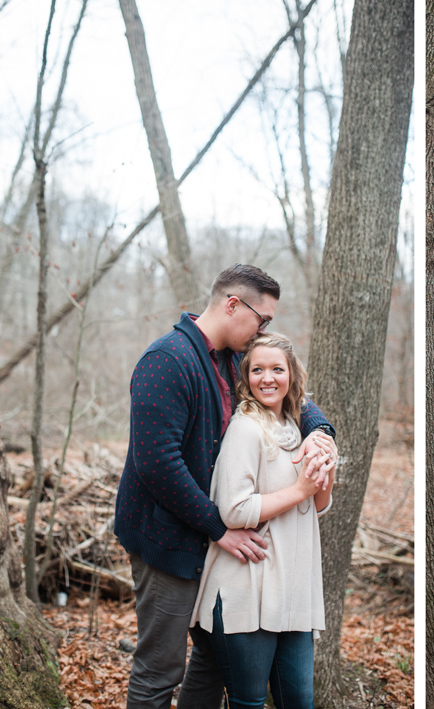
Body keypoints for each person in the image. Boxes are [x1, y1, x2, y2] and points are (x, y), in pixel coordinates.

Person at [114, 264, 337, 709]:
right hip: (168, 539)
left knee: (214, 660)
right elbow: (158, 464)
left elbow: (292, 396)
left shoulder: (234, 359)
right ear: (233, 305)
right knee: (161, 670)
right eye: (262, 319)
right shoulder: (168, 361)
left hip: (213, 542)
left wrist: (320, 431)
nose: (263, 330)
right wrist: (221, 527)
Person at [190, 332, 335, 709]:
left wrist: (324, 469)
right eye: (257, 370)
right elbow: (233, 511)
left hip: (293, 590)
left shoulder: (298, 425)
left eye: (276, 369)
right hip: (247, 588)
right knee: (248, 702)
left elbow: (318, 505)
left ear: (292, 375)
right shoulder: (245, 429)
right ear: (246, 378)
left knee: (299, 700)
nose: (267, 378)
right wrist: (302, 489)